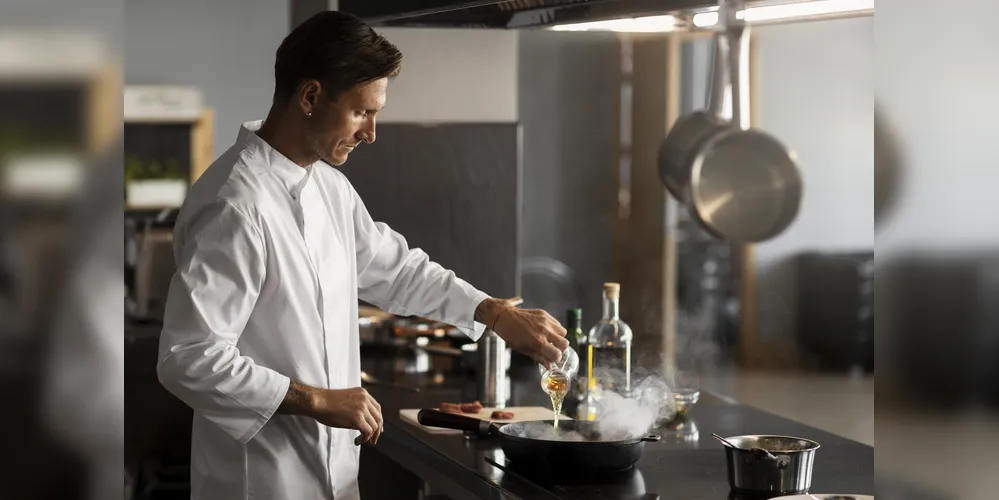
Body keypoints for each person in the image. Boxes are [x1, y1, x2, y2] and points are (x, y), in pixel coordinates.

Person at [156, 10, 569, 500]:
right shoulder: (235, 205)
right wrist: (315, 399)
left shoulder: (327, 185)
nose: (371, 133)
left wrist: (493, 311)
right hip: (260, 482)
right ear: (310, 96)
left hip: (334, 474)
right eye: (361, 112)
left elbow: (396, 269)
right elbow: (188, 357)